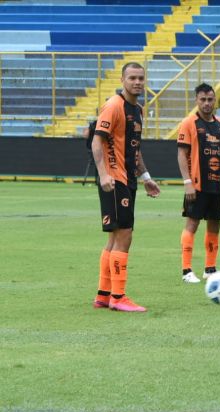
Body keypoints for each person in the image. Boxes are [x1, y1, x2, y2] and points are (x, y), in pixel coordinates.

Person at [91, 62, 160, 312]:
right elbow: (97, 141)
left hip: (127, 179)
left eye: (141, 78)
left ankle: (104, 295)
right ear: (122, 80)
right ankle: (118, 297)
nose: (137, 82)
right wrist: (103, 174)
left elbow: (134, 148)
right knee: (125, 235)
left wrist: (146, 177)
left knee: (114, 238)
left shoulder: (138, 109)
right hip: (115, 179)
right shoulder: (114, 106)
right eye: (132, 77)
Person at [176, 83, 220, 283]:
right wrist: (187, 182)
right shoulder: (189, 123)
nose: (207, 103)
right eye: (203, 99)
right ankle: (186, 271)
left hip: (216, 186)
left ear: (214, 100)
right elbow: (181, 154)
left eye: (210, 99)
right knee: (192, 223)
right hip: (196, 184)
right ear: (196, 101)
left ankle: (210, 269)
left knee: (214, 224)